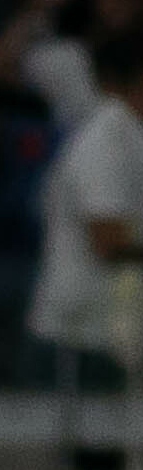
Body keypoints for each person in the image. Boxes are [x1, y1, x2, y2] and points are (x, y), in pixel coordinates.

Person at [28, 27, 143, 384]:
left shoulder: (129, 135)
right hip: (76, 339)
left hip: (104, 331)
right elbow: (107, 240)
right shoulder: (105, 138)